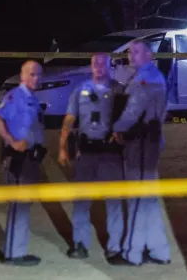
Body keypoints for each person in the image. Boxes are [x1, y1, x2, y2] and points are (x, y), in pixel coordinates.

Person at [108, 40, 171, 267]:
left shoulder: (146, 79)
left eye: (135, 52)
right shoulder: (149, 76)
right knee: (148, 198)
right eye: (128, 52)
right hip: (148, 141)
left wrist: (117, 129)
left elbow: (134, 109)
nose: (130, 55)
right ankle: (159, 249)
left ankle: (132, 253)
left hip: (141, 142)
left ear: (148, 54)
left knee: (138, 197)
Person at [58, 53, 124, 260]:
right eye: (95, 63)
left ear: (109, 66)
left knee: (114, 202)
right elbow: (69, 119)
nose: (98, 66)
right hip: (86, 152)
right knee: (81, 202)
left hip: (111, 153)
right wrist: (62, 147)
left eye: (102, 63)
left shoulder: (119, 90)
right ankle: (80, 245)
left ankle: (115, 249)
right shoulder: (80, 90)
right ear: (91, 65)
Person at [0, 60, 46, 266]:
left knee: (23, 205)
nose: (36, 78)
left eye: (39, 74)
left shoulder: (31, 97)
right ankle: (14, 254)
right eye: (32, 74)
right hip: (18, 160)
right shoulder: (16, 96)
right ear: (22, 75)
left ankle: (16, 251)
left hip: (30, 159)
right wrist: (12, 141)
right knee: (19, 206)